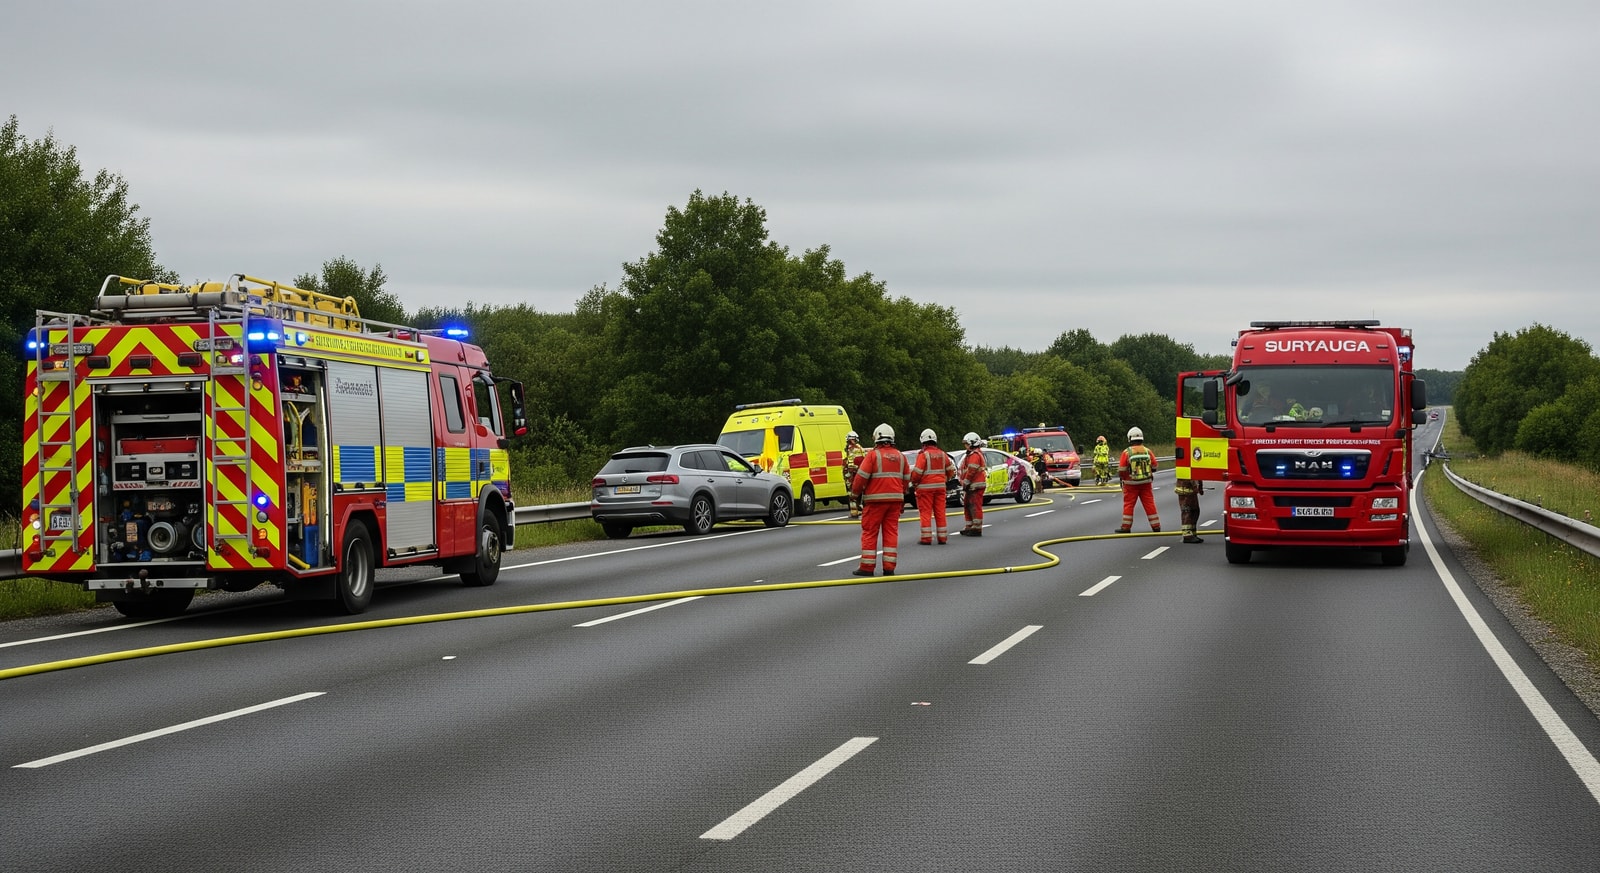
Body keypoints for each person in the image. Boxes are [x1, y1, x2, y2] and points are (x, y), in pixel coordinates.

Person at [850, 423, 910, 576]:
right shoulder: (901, 457)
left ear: (876, 437)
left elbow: (860, 478)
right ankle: (889, 567)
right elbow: (906, 480)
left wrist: (855, 495)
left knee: (870, 532)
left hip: (875, 502)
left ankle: (867, 567)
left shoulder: (873, 455)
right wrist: (902, 498)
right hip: (895, 501)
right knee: (891, 533)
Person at [910, 428, 957, 545]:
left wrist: (914, 483)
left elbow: (917, 473)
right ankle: (942, 538)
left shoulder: (923, 455)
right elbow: (951, 471)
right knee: (940, 512)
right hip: (940, 488)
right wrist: (944, 479)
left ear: (923, 442)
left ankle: (926, 538)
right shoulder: (942, 454)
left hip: (925, 490)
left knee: (926, 513)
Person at [1114, 426, 1161, 533]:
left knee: (1129, 505)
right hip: (1146, 483)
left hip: (1130, 484)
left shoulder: (1127, 452)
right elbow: (1154, 466)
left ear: (1130, 438)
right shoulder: (1147, 451)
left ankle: (1126, 527)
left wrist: (1124, 477)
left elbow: (1122, 470)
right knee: (1149, 503)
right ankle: (1156, 526)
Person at [958, 432, 988, 536]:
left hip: (975, 485)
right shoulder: (972, 454)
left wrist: (965, 482)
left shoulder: (975, 455)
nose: (965, 446)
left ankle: (976, 528)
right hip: (972, 486)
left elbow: (971, 470)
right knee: (968, 505)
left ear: (971, 443)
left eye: (966, 443)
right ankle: (969, 526)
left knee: (975, 506)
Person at [842, 430, 867, 518]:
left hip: (852, 475)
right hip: (857, 474)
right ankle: (858, 509)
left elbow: (848, 464)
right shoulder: (860, 448)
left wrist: (846, 473)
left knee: (852, 493)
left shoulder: (850, 449)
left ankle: (855, 511)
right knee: (858, 492)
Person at [1175, 475, 1205, 543]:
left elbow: (1197, 473)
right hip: (1185, 491)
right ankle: (1187, 535)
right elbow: (1190, 475)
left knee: (1195, 511)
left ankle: (1192, 533)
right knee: (1187, 512)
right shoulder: (1186, 466)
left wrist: (1200, 487)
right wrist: (1195, 486)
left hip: (1192, 492)